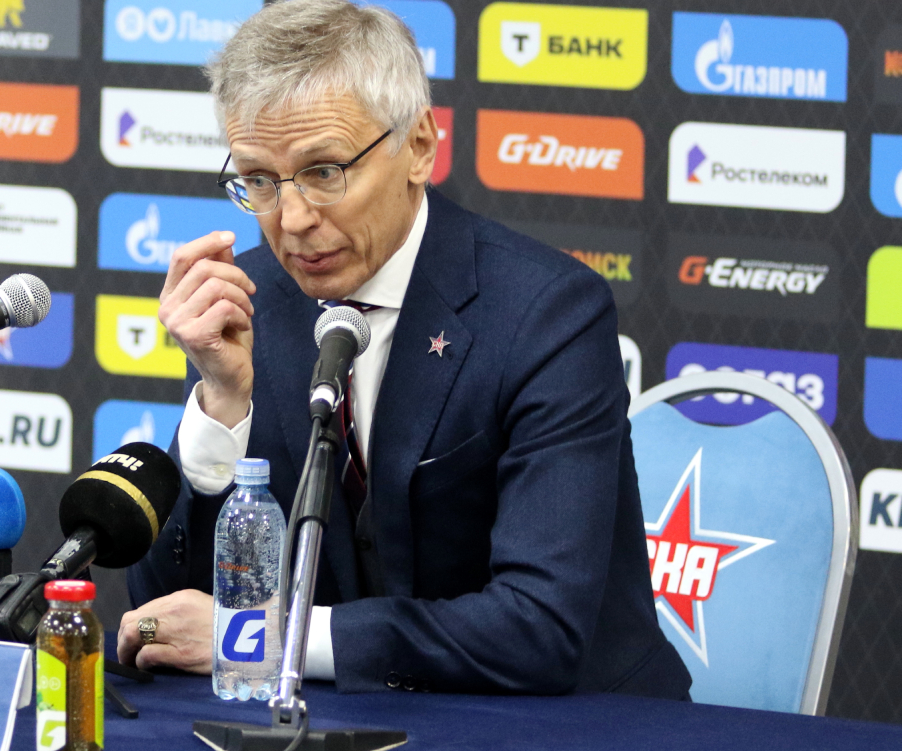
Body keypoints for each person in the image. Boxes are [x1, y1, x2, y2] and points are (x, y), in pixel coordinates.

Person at [118, 0, 691, 699]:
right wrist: (222, 405)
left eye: (325, 171)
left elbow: (540, 627)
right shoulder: (248, 301)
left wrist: (276, 637)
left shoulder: (548, 313)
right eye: (259, 181)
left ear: (419, 147)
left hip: (577, 730)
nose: (292, 220)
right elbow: (163, 612)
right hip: (349, 723)